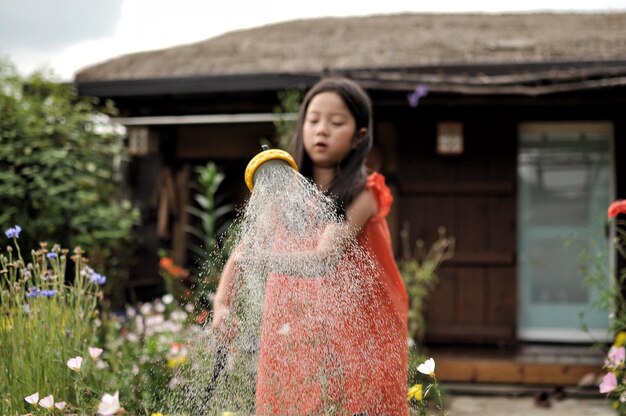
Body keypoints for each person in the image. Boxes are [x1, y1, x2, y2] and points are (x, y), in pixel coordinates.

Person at [212, 77, 409, 415]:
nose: (322, 130)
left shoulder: (364, 192)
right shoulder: (283, 191)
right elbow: (243, 251)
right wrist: (222, 304)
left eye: (336, 123)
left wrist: (263, 260)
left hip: (357, 329)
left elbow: (323, 260)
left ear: (359, 136)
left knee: (349, 403)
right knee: (292, 400)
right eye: (314, 120)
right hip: (293, 326)